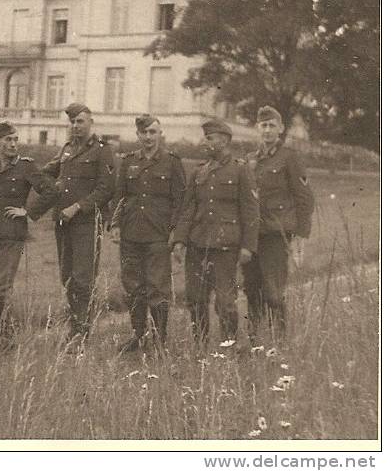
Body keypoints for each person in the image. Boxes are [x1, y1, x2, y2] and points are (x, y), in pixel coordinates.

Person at [29, 103, 115, 350]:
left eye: (80, 122)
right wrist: (51, 188)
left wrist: (77, 207)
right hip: (62, 222)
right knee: (67, 277)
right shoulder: (67, 149)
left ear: (91, 123)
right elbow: (46, 173)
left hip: (86, 223)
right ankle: (74, 327)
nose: (76, 126)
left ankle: (81, 333)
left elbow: (106, 189)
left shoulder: (102, 151)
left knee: (82, 278)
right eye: (73, 122)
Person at [172, 119, 260, 347]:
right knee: (196, 299)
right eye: (205, 137)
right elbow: (188, 208)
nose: (205, 142)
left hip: (226, 246)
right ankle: (200, 345)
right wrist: (180, 241)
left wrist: (248, 246)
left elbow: (251, 211)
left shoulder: (240, 170)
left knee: (225, 300)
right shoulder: (199, 172)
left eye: (209, 138)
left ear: (224, 141)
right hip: (197, 244)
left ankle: (229, 345)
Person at [110, 115, 186, 354]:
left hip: (158, 234)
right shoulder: (129, 161)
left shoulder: (172, 162)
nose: (148, 137)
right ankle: (138, 335)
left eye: (153, 132)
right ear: (138, 135)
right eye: (144, 133)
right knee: (133, 286)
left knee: (157, 287)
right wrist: (115, 225)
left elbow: (180, 201)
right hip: (131, 233)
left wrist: (174, 231)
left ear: (160, 134)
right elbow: (119, 197)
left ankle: (160, 339)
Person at [0, 121, 55, 349]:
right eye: (7, 140)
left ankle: (1, 338)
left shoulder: (26, 167)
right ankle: (6, 333)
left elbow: (51, 191)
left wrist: (28, 211)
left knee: (0, 288)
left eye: (15, 139)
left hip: (11, 234)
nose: (12, 144)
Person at [243, 106, 315, 345]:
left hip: (276, 234)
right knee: (252, 288)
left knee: (273, 291)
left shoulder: (290, 158)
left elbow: (304, 198)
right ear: (257, 128)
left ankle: (278, 341)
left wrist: (301, 236)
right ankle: (254, 339)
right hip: (252, 236)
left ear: (281, 128)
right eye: (263, 125)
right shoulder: (250, 160)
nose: (267, 130)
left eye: (272, 125)